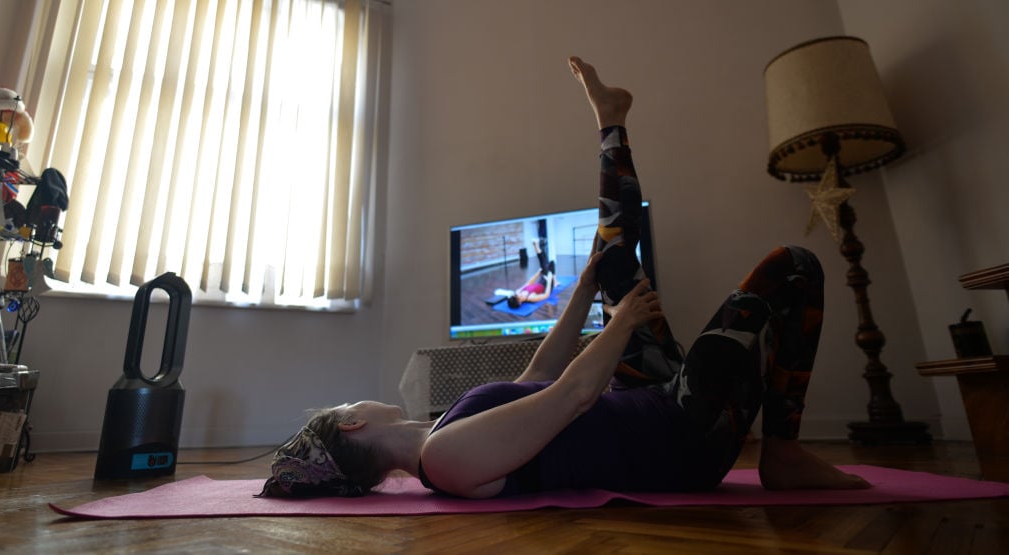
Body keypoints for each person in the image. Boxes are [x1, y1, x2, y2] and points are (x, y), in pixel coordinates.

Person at [259, 57, 870, 499]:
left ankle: (612, 120)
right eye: (348, 403)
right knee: (795, 266)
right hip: (682, 440)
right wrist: (622, 320)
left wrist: (582, 297)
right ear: (353, 423)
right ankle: (783, 454)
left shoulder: (442, 434)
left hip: (654, 404)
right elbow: (573, 396)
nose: (358, 397)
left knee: (609, 263)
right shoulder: (443, 459)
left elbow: (535, 379)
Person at [506, 240, 557, 309]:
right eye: (519, 297)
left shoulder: (518, 291)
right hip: (547, 285)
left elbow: (529, 283)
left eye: (517, 295)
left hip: (541, 281)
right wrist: (549, 280)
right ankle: (536, 246)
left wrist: (538, 273)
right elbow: (546, 295)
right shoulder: (531, 298)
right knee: (548, 264)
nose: (519, 295)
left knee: (549, 264)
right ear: (520, 303)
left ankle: (537, 246)